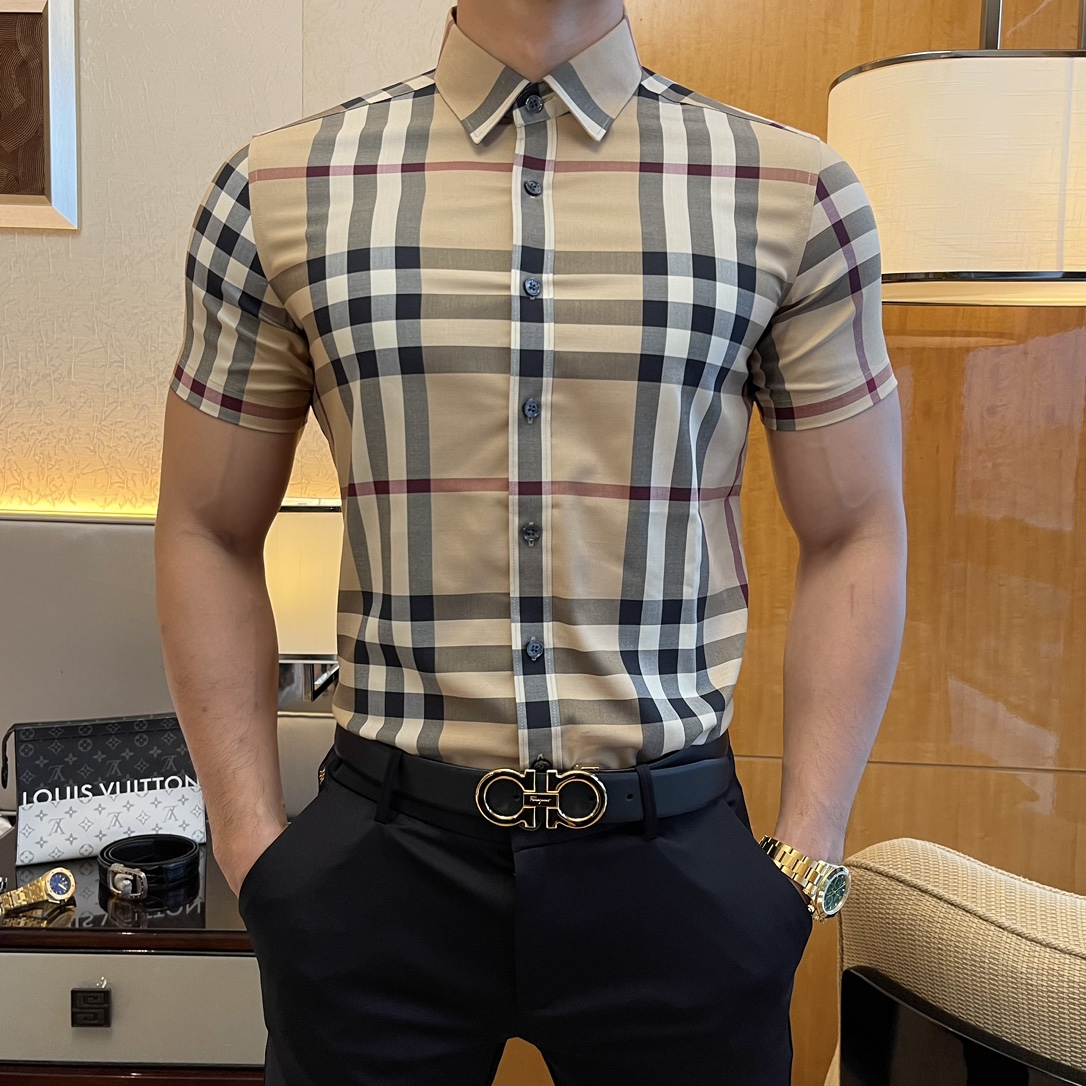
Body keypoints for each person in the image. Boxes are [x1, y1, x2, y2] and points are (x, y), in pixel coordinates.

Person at [154, 0, 907, 1083]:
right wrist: (251, 846)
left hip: (679, 870)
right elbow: (206, 526)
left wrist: (804, 860)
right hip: (377, 869)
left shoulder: (791, 192)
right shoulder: (277, 190)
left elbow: (857, 530)